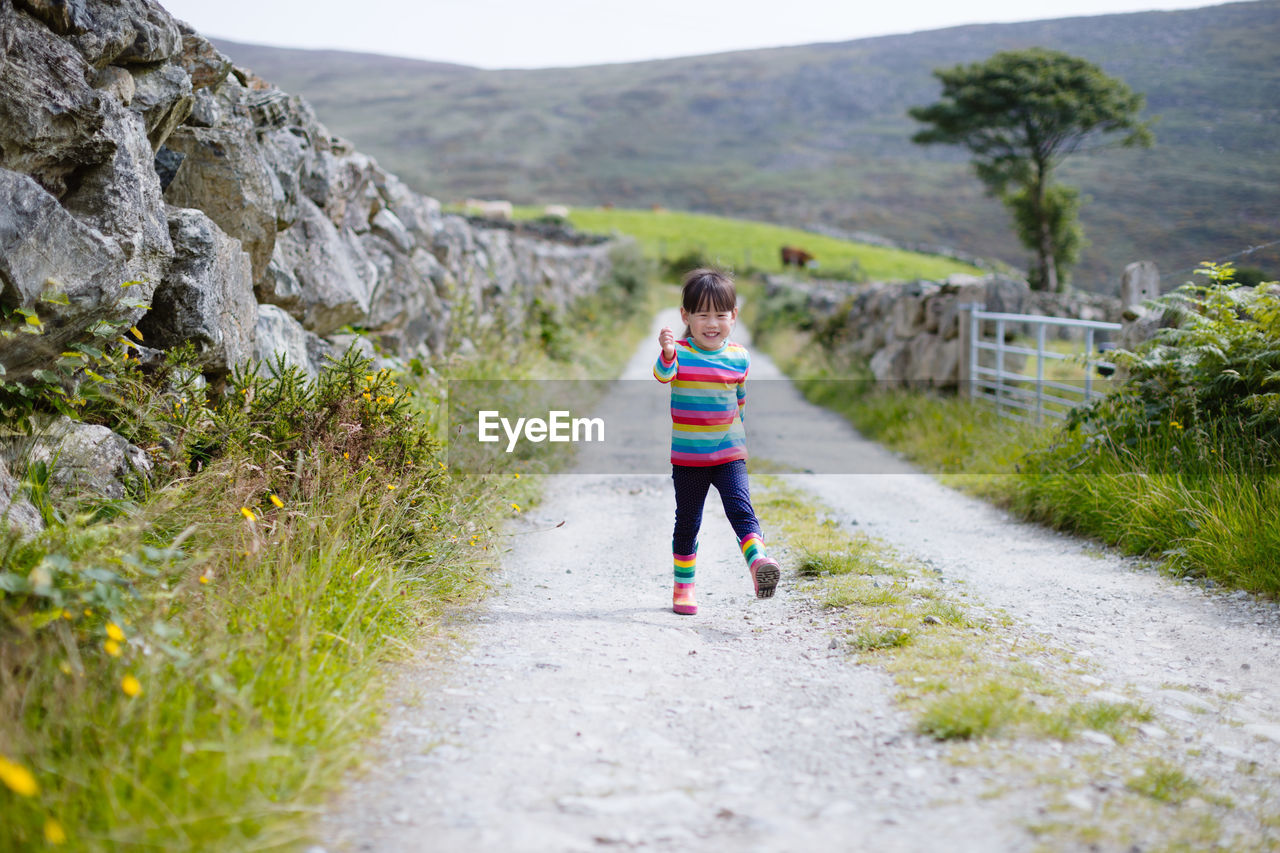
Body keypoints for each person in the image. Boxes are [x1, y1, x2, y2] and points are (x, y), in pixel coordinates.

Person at [653, 268, 781, 616]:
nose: (712, 323)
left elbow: (740, 401)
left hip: (729, 455)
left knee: (742, 511)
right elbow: (663, 375)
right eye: (703, 314)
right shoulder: (679, 353)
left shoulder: (739, 356)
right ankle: (684, 588)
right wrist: (666, 353)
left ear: (733, 317)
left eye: (720, 315)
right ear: (686, 316)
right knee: (688, 521)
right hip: (689, 458)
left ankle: (758, 564)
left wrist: (738, 437)